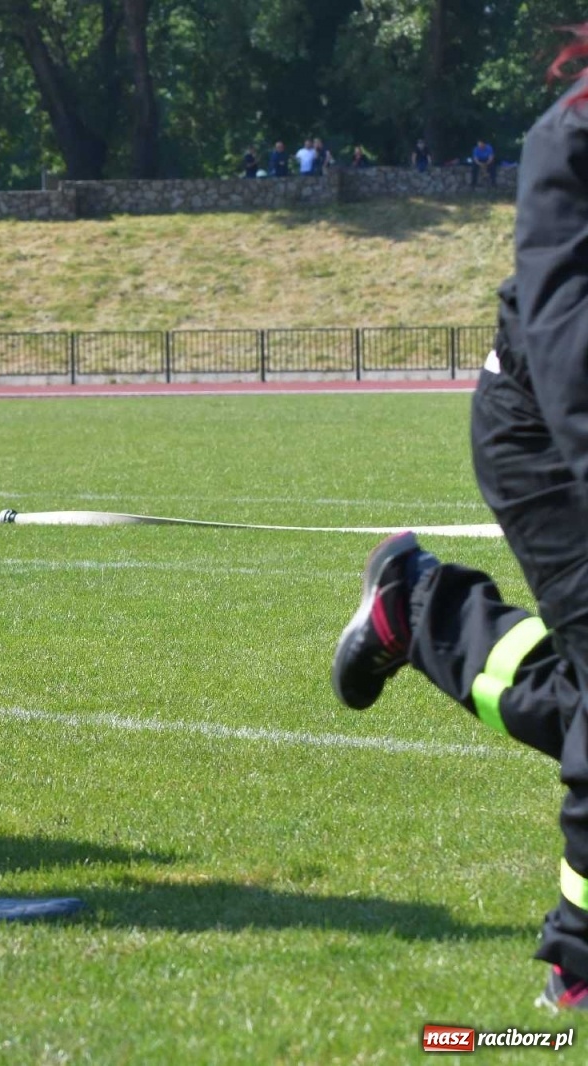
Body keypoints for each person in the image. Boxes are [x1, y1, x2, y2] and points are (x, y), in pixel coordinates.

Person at [330, 27, 588, 1011]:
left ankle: (423, 610)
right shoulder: (569, 143)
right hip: (543, 439)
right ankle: (578, 961)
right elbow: (571, 348)